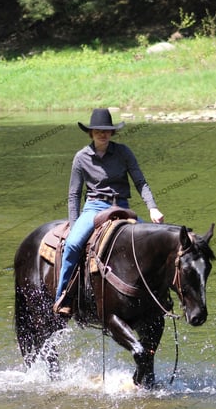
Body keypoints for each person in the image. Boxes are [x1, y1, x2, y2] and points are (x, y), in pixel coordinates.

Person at [53, 108, 164, 316]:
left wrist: (153, 208)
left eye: (106, 131)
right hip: (94, 208)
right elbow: (74, 195)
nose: (102, 134)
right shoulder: (81, 158)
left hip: (122, 207)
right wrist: (74, 223)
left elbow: (141, 182)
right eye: (98, 130)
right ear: (91, 132)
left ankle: (159, 298)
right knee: (72, 244)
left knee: (154, 243)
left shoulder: (124, 152)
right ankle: (63, 296)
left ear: (112, 132)